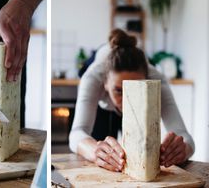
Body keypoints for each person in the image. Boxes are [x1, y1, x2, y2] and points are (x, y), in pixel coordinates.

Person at [69, 29, 195, 172]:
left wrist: (182, 149)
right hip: (102, 108)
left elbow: (184, 135)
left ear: (147, 80)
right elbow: (77, 133)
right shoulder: (92, 78)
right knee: (104, 155)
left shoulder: (157, 80)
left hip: (137, 103)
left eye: (135, 89)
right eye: (119, 90)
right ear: (105, 83)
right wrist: (95, 150)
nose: (127, 101)